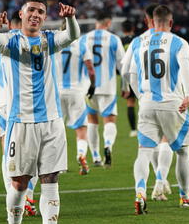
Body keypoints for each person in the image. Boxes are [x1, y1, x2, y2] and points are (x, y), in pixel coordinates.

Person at [0, 0, 79, 224]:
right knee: (19, 183)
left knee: (51, 180)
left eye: (40, 11)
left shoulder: (49, 41)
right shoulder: (10, 42)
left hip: (52, 122)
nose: (35, 15)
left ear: (45, 17)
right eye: (31, 10)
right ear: (22, 14)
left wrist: (70, 19)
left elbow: (70, 36)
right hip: (21, 122)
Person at [123, 5, 189, 214]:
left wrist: (141, 96)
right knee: (183, 152)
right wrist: (188, 94)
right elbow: (186, 69)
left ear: (152, 22)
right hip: (172, 103)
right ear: (171, 23)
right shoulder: (178, 42)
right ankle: (185, 197)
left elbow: (129, 72)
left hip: (147, 103)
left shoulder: (139, 42)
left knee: (144, 151)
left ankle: (140, 192)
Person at [0, 13, 39, 216]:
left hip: (4, 106)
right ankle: (28, 195)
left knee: (8, 155)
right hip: (30, 106)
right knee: (35, 154)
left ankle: (14, 202)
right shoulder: (35, 43)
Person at [122, 4, 174, 201]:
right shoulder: (173, 40)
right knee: (166, 140)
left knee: (147, 145)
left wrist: (138, 93)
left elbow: (126, 69)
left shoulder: (139, 40)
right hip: (170, 98)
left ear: (147, 19)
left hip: (146, 98)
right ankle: (161, 180)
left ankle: (147, 188)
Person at [84, 10, 125, 167]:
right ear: (108, 23)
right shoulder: (114, 39)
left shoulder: (84, 39)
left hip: (88, 87)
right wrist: (126, 85)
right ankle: (108, 145)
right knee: (109, 120)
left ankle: (95, 157)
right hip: (107, 87)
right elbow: (122, 64)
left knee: (92, 121)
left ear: (96, 22)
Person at [57, 29, 95, 175]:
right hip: (76, 92)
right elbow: (91, 70)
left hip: (57, 93)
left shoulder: (55, 45)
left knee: (57, 130)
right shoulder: (81, 45)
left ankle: (60, 166)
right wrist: (92, 86)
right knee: (81, 129)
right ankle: (81, 154)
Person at [120, 19, 138, 138]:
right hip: (139, 74)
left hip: (126, 74)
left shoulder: (120, 41)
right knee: (143, 100)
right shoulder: (138, 40)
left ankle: (133, 130)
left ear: (123, 30)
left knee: (130, 102)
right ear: (133, 28)